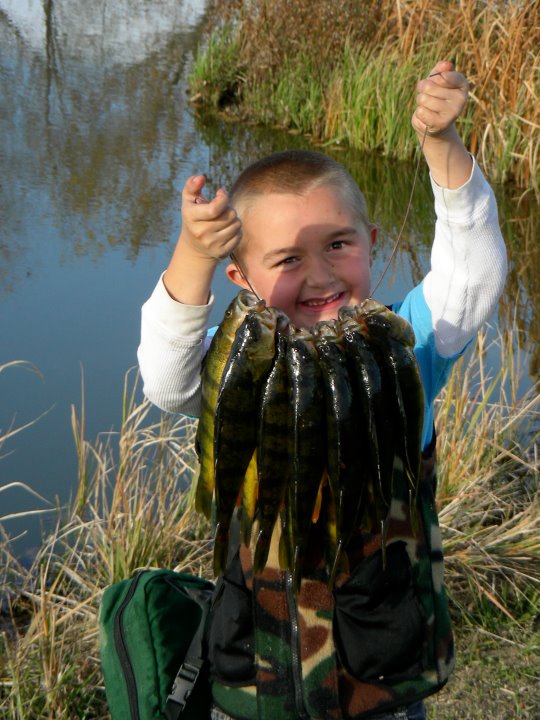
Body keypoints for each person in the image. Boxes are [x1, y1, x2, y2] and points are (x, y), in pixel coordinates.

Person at [137, 61, 507, 720]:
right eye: (286, 259)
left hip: (381, 681)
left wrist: (442, 149)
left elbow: (472, 275)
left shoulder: (402, 349)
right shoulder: (244, 367)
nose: (320, 274)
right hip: (256, 681)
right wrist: (190, 258)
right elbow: (168, 384)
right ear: (240, 276)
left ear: (371, 241)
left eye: (338, 244)